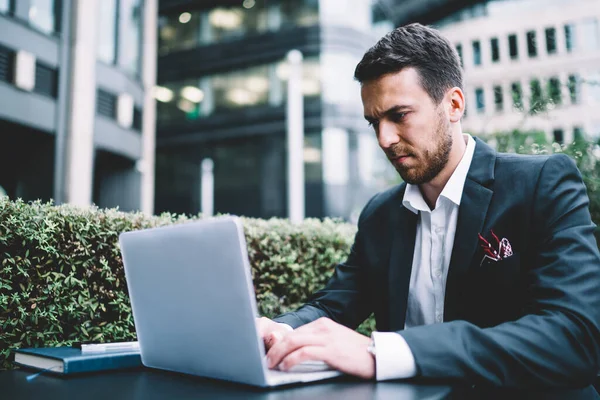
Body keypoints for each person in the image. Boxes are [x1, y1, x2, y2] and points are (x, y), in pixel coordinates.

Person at [258, 23, 600, 397]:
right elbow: (335, 304)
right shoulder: (380, 214)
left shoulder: (541, 183)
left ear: (453, 105)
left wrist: (385, 354)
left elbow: (574, 336)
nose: (384, 139)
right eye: (374, 122)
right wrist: (280, 330)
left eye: (399, 115)